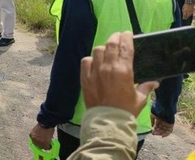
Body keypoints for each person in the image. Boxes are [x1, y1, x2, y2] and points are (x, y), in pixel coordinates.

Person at [30, 0, 183, 160]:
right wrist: (166, 110)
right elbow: (173, 55)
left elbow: (69, 63)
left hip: (85, 123)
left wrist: (47, 121)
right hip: (133, 124)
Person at [67, 32, 160, 160]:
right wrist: (166, 110)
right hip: (134, 124)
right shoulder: (173, 10)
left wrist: (110, 126)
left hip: (84, 118)